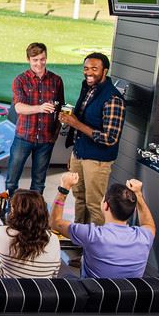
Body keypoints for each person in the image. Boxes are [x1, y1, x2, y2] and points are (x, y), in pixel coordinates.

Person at [59, 52, 125, 226]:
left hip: (97, 161)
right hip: (80, 154)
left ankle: (100, 245)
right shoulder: (89, 89)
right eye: (86, 68)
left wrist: (76, 123)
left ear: (105, 71)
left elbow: (110, 138)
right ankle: (81, 237)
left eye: (94, 69)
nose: (89, 72)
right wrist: (75, 152)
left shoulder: (113, 99)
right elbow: (84, 122)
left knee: (94, 204)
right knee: (79, 199)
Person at [50, 172, 155, 278]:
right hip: (129, 293)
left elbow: (55, 222)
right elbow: (148, 223)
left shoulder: (92, 235)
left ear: (106, 206)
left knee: (58, 265)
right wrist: (138, 194)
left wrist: (64, 188)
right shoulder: (144, 236)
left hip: (93, 292)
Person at [5, 42, 65, 195]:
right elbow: (18, 107)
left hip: (46, 140)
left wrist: (55, 134)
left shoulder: (56, 81)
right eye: (35, 60)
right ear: (28, 60)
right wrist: (40, 108)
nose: (39, 63)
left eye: (42, 59)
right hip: (23, 137)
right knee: (12, 181)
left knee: (39, 183)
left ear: (46, 58)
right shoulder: (20, 80)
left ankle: (34, 216)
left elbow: (60, 108)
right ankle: (10, 212)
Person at [0, 190, 61, 278]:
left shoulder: (3, 233)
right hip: (41, 290)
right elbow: (54, 274)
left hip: (7, 290)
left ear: (15, 212)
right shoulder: (54, 239)